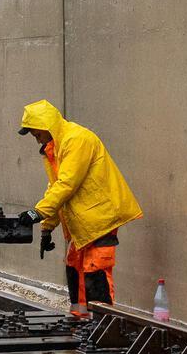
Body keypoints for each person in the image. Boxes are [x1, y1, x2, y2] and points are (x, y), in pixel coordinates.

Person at [20, 99, 143, 319]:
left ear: (47, 126)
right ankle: (81, 319)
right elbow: (55, 189)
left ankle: (103, 324)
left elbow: (67, 184)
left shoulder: (77, 140)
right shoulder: (55, 148)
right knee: (74, 265)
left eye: (36, 133)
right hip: (83, 222)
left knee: (95, 268)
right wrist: (46, 228)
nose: (35, 138)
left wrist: (38, 213)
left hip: (100, 218)